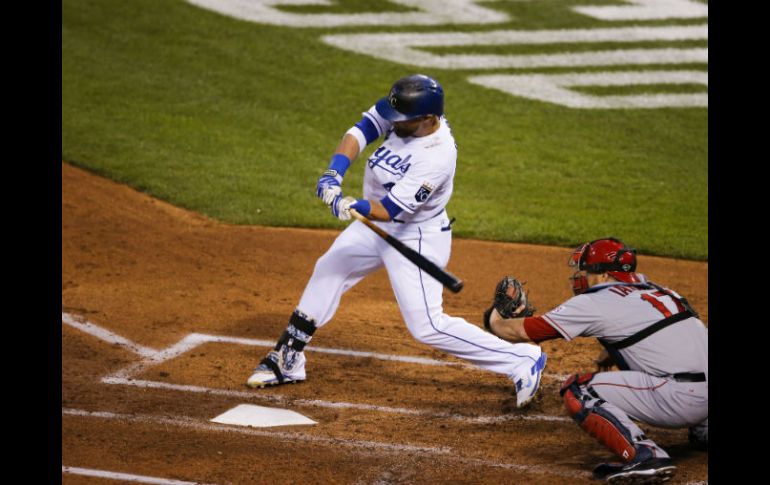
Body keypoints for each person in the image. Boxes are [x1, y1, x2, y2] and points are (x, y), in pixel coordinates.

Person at [246, 74, 547, 408]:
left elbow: (389, 210)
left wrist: (351, 204)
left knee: (427, 326)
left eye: (403, 122)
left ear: (428, 119)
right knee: (329, 268)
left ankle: (521, 360)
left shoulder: (437, 157)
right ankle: (288, 358)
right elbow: (361, 130)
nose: (394, 124)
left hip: (415, 235)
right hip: (374, 227)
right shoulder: (406, 112)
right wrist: (335, 172)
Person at [484, 237, 707, 483]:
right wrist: (610, 353)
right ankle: (703, 431)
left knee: (578, 389)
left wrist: (495, 317)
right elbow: (668, 335)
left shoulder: (596, 301)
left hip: (682, 401)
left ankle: (647, 455)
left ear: (603, 276)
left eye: (586, 270)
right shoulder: (662, 291)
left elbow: (520, 332)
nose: (581, 276)